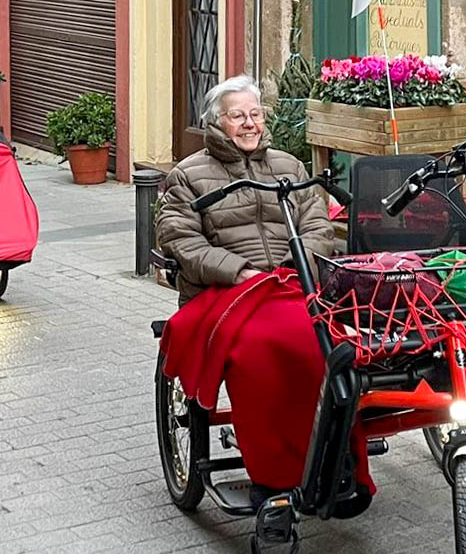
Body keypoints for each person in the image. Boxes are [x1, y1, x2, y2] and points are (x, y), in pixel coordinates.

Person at [154, 76, 371, 521]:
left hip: (292, 283)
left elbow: (318, 225)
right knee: (261, 356)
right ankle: (273, 478)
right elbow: (180, 239)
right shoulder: (188, 175)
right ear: (216, 122)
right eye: (237, 116)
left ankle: (336, 461)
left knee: (332, 345)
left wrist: (297, 265)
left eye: (254, 114)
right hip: (227, 292)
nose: (249, 123)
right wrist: (240, 271)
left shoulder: (288, 166)